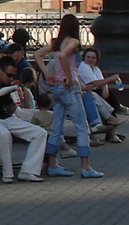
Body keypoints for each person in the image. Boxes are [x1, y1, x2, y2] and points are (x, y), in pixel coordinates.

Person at [35, 13, 100, 179]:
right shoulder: (73, 42)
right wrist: (69, 77)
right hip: (70, 87)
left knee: (56, 128)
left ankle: (52, 164)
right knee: (82, 127)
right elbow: (64, 55)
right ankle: (86, 166)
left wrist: (47, 74)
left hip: (56, 87)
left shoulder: (56, 43)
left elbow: (37, 55)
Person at [0, 53, 48, 183]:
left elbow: (10, 109)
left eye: (13, 75)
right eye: (9, 75)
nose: (11, 78)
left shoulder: (6, 84)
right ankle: (7, 174)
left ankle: (29, 170)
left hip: (5, 118)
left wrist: (16, 100)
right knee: (4, 134)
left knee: (39, 133)